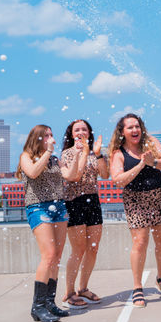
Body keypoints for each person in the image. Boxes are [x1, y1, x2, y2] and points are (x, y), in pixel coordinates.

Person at [17, 124, 81, 322]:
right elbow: (34, 173)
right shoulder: (26, 156)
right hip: (38, 207)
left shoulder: (54, 159)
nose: (51, 138)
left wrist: (78, 154)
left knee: (57, 257)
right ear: (37, 138)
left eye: (52, 135)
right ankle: (37, 306)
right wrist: (49, 152)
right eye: (46, 135)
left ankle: (49, 302)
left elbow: (70, 176)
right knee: (49, 255)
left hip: (59, 207)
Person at [108, 113, 161, 308]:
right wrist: (141, 164)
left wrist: (153, 162)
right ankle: (137, 287)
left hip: (159, 195)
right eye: (130, 127)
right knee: (140, 242)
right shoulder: (118, 153)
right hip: (135, 199)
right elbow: (118, 180)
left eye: (137, 126)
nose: (135, 130)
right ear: (122, 132)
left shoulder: (151, 142)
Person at [59, 119, 109, 309]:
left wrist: (97, 154)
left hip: (92, 201)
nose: (80, 132)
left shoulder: (95, 153)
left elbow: (104, 175)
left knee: (93, 248)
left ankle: (83, 288)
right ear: (71, 134)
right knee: (78, 249)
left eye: (84, 129)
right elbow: (76, 176)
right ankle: (69, 292)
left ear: (89, 132)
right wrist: (83, 153)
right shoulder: (67, 153)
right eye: (76, 130)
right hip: (74, 202)